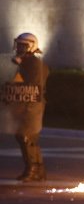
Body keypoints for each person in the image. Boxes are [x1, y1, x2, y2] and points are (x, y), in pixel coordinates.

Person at [7, 33, 49, 182]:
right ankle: (38, 169)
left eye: (23, 45)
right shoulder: (24, 62)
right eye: (18, 45)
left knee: (27, 136)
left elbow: (32, 86)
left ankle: (33, 169)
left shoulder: (35, 63)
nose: (19, 48)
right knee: (26, 137)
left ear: (31, 46)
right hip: (24, 104)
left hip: (32, 105)